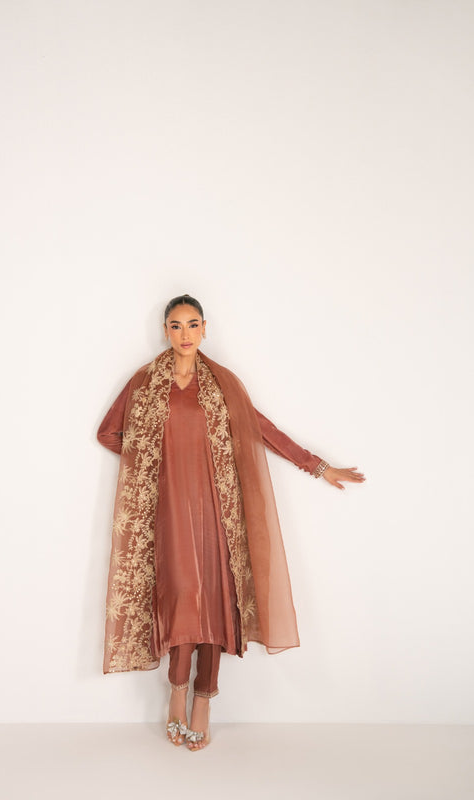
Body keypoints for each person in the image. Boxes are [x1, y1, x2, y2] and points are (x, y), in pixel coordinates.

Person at [96, 294, 365, 751]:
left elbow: (262, 429)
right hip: (168, 512)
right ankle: (176, 690)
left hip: (218, 512)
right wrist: (149, 463)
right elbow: (108, 433)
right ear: (165, 331)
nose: (185, 334)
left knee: (216, 602)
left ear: (205, 329)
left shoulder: (222, 385)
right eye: (176, 325)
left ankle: (203, 699)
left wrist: (318, 466)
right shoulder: (143, 384)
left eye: (193, 324)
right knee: (182, 598)